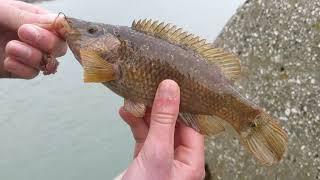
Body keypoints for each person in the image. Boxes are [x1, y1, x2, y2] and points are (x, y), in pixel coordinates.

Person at [0, 1, 205, 179]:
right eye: (92, 31)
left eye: (92, 31)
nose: (84, 31)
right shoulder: (101, 62)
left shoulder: (106, 63)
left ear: (117, 44)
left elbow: (99, 71)